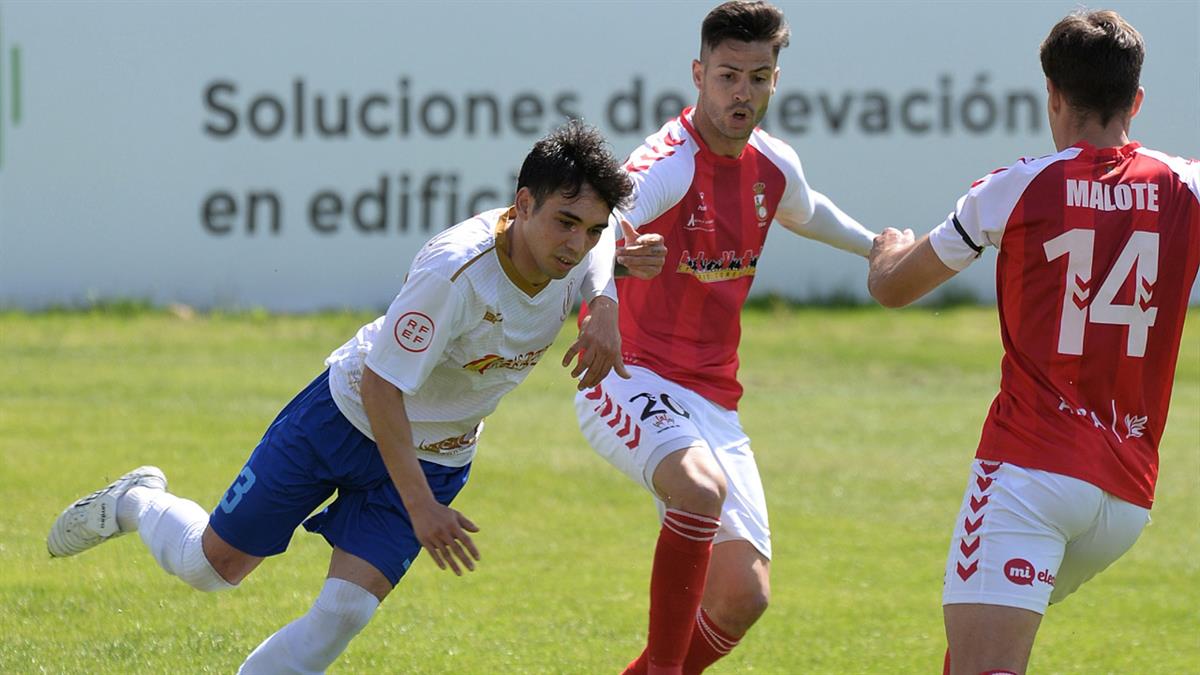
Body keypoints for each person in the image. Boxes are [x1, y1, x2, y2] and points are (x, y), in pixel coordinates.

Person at [46, 120, 667, 673]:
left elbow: (607, 232)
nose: (576, 243)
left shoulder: (584, 241)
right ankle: (136, 502)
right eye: (564, 223)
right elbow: (381, 385)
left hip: (439, 453)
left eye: (587, 229)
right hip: (343, 418)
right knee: (211, 570)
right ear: (522, 203)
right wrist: (421, 508)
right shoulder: (453, 274)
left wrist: (605, 303)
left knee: (344, 612)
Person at [866, 10, 1199, 675]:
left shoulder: (1015, 187)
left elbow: (895, 288)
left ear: (1052, 94)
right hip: (1125, 498)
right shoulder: (1186, 185)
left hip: (1031, 474)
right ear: (1135, 101)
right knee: (973, 655)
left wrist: (886, 254)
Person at [573, 3, 876, 672]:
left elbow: (807, 210)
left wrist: (875, 246)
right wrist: (604, 291)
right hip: (629, 374)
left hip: (713, 400)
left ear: (776, 81)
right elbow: (600, 224)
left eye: (759, 78)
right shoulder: (670, 162)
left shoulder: (773, 164)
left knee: (744, 593)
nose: (743, 93)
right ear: (698, 74)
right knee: (699, 492)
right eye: (729, 76)